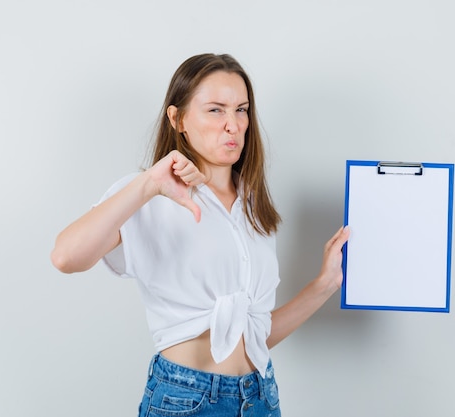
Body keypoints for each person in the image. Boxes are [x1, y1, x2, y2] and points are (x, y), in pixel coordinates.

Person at [51, 53, 349, 417]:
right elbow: (66, 256)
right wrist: (148, 185)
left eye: (241, 110)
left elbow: (254, 336)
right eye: (215, 110)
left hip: (260, 397)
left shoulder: (253, 206)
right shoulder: (148, 195)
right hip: (186, 400)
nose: (233, 125)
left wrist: (325, 284)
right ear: (178, 119)